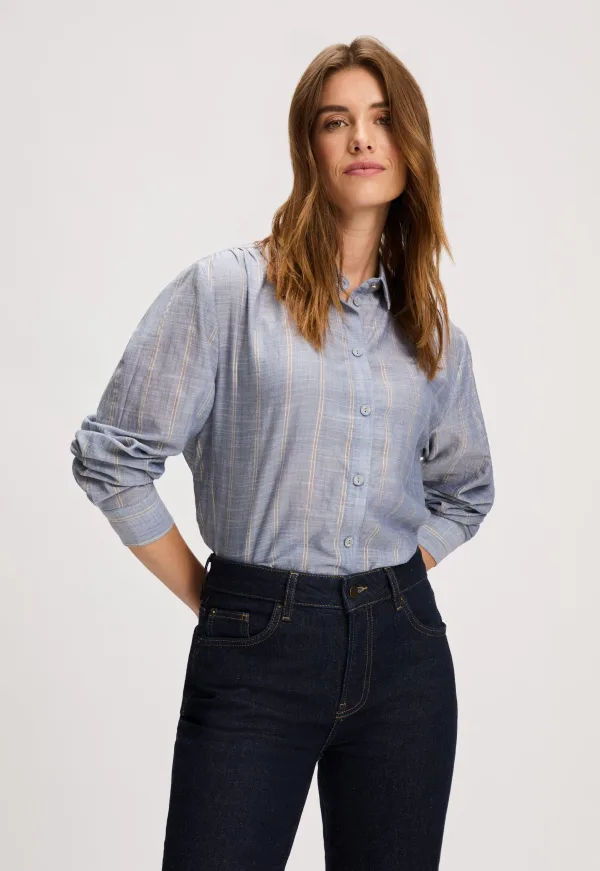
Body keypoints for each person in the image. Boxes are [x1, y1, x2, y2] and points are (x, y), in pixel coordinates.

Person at [70, 36, 495, 871]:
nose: (362, 138)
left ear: (410, 144)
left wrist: (389, 587)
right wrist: (216, 597)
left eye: (382, 119)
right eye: (337, 121)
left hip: (405, 661)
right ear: (309, 146)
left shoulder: (432, 332)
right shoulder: (226, 293)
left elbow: (466, 489)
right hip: (253, 648)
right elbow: (111, 456)